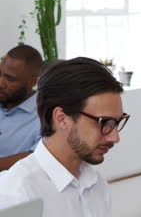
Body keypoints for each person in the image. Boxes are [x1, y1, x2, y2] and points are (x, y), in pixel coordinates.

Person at [0, 57, 130, 217]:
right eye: (104, 122)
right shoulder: (18, 194)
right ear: (61, 118)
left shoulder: (96, 184)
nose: (115, 137)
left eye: (117, 122)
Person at [0, 45, 42, 171]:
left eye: (10, 79)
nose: (1, 83)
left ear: (32, 81)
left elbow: (37, 158)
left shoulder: (45, 115)